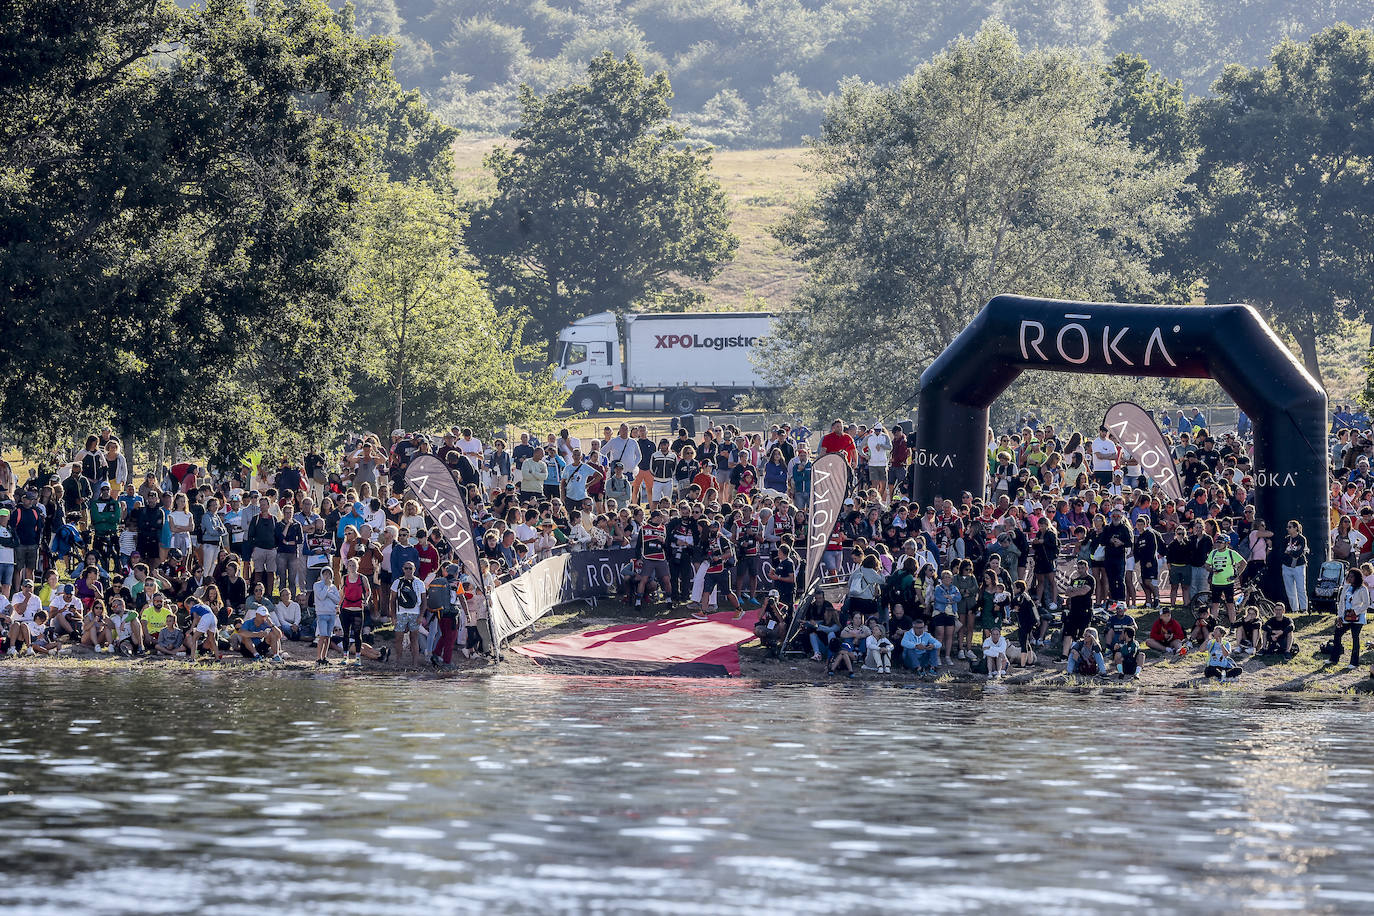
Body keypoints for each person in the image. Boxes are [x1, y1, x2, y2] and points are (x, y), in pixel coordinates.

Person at [1333, 567, 1370, 668]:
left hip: (1358, 617)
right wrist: (1340, 616)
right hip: (1345, 616)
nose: (1350, 578)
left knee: (1355, 637)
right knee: (1337, 633)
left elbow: (1366, 604)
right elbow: (1341, 602)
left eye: (1352, 576)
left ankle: (1354, 662)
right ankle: (1334, 658)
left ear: (1357, 577)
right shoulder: (1346, 587)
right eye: (1349, 576)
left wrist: (1356, 612)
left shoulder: (1363, 589)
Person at [1205, 536, 1246, 625]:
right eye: (1217, 542)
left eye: (1221, 542)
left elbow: (1243, 563)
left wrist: (1235, 575)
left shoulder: (1231, 553)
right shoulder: (1213, 553)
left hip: (1228, 583)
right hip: (1216, 583)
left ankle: (1232, 624)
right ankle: (1213, 624)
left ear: (1226, 544)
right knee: (1215, 604)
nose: (1218, 544)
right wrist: (1212, 570)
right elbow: (1207, 565)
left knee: (1230, 604)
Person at [392, 560, 425, 666]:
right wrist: (393, 616)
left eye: (410, 568)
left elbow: (424, 600)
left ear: (414, 569)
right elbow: (392, 600)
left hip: (415, 613)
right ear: (403, 569)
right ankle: (398, 660)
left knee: (414, 638)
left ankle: (415, 663)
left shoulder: (419, 583)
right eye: (406, 568)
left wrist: (421, 616)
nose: (408, 570)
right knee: (398, 638)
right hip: (400, 613)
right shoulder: (397, 582)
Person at [1061, 559, 1094, 658]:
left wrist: (1074, 591)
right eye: (1079, 568)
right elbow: (1067, 592)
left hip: (1085, 610)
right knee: (1068, 633)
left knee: (1082, 634)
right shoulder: (1074, 580)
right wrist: (1076, 591)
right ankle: (1064, 656)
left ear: (1087, 568)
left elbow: (1084, 591)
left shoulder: (1090, 579)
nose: (1080, 570)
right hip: (1073, 610)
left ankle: (1082, 656)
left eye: (1082, 568)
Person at [312, 567, 341, 666]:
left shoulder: (333, 587)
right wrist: (326, 587)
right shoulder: (317, 585)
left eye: (329, 574)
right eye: (325, 574)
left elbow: (337, 600)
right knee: (322, 635)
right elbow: (321, 596)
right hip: (321, 613)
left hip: (332, 614)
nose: (327, 576)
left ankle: (324, 657)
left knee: (328, 636)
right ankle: (318, 658)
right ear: (321, 575)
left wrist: (329, 593)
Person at [1280, 521, 1310, 613]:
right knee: (1290, 590)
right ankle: (1295, 610)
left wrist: (1289, 552)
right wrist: (1290, 552)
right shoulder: (1286, 539)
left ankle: (1304, 609)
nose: (1288, 529)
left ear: (1296, 528)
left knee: (1301, 588)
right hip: (1287, 566)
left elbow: (1298, 553)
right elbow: (1282, 552)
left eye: (1290, 527)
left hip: (1299, 566)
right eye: (1287, 527)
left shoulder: (1301, 539)